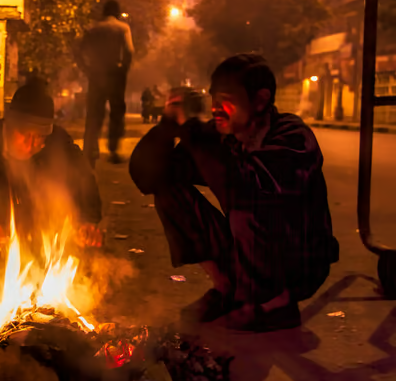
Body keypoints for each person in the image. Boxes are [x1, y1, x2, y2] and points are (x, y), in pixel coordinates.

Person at [129, 54, 339, 332]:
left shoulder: (292, 137)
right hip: (248, 250)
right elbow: (149, 176)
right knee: (167, 189)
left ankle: (274, 304)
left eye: (226, 99)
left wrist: (192, 130)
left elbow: (246, 188)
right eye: (213, 99)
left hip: (297, 263)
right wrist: (170, 124)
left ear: (260, 100)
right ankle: (227, 291)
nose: (216, 109)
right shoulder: (222, 136)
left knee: (246, 202)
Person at [0, 80, 103, 282]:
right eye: (25, 134)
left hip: (32, 221)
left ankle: (41, 273)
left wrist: (88, 220)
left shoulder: (58, 141)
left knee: (69, 232)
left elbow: (84, 178)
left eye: (40, 137)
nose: (32, 144)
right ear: (9, 123)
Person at [77, 0, 134, 167]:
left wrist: (87, 70)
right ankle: (113, 150)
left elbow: (80, 52)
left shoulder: (92, 28)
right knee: (116, 112)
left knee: (94, 112)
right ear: (117, 12)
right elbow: (129, 51)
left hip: (96, 74)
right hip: (115, 74)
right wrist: (124, 69)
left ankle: (90, 150)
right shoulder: (122, 28)